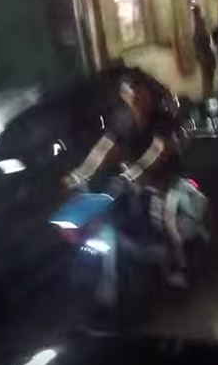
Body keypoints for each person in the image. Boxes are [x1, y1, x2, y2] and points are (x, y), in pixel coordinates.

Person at [62, 74, 189, 288]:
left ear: (148, 96)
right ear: (124, 97)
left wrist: (136, 173)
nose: (136, 102)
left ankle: (178, 266)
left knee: (166, 216)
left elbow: (158, 151)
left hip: (164, 176)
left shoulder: (162, 118)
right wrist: (79, 175)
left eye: (140, 96)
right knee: (110, 210)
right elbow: (104, 148)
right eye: (130, 97)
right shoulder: (122, 120)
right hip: (131, 178)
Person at [191, 6, 216, 99]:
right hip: (205, 54)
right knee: (207, 75)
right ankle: (208, 93)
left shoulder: (198, 24)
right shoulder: (199, 25)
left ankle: (208, 93)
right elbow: (203, 39)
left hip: (205, 54)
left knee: (207, 75)